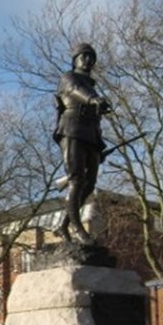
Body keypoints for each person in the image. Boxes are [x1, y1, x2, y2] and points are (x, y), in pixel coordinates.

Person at [53, 42, 112, 245]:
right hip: (72, 130)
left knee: (89, 184)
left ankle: (63, 225)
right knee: (76, 179)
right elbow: (75, 90)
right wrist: (94, 99)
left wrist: (99, 146)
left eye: (91, 58)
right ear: (75, 59)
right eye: (84, 56)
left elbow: (97, 121)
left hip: (91, 135)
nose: (88, 60)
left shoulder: (92, 86)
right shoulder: (69, 78)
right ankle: (78, 228)